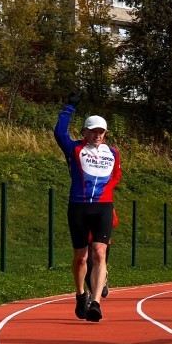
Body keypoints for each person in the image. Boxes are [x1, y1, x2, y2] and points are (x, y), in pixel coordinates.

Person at [54, 92, 121, 323]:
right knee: (81, 258)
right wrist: (69, 107)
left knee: (100, 253)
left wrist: (106, 191)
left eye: (101, 131)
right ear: (84, 132)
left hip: (102, 207)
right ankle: (80, 295)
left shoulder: (113, 153)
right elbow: (59, 133)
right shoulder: (74, 149)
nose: (97, 135)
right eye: (93, 131)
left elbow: (117, 175)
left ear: (105, 134)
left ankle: (96, 303)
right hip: (78, 206)